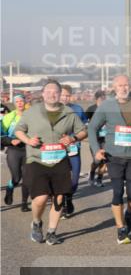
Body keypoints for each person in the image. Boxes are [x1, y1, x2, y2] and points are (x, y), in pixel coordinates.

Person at [14, 79, 87, 245]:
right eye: (48, 91)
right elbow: (19, 130)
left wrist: (73, 137)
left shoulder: (69, 113)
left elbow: (83, 130)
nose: (52, 94)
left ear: (60, 94)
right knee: (40, 199)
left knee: (59, 198)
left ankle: (52, 231)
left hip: (60, 159)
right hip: (37, 160)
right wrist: (28, 140)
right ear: (42, 94)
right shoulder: (32, 112)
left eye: (55, 91)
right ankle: (36, 223)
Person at [87, 75, 131, 245]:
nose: (123, 88)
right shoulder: (107, 106)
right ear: (114, 87)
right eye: (120, 85)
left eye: (126, 85)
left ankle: (129, 213)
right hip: (113, 156)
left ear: (130, 86)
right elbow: (93, 128)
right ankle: (120, 228)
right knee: (118, 192)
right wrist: (96, 150)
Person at [59, 84, 87, 218]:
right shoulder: (51, 110)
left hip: (74, 149)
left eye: (67, 95)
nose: (65, 98)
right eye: (62, 95)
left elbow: (84, 128)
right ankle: (64, 203)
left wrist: (74, 137)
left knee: (75, 180)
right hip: (57, 151)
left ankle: (69, 197)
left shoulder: (77, 109)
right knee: (61, 178)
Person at [2, 94, 29, 211]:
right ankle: (10, 187)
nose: (19, 103)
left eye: (21, 101)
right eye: (17, 101)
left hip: (29, 148)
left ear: (25, 102)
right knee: (17, 177)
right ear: (14, 103)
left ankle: (24, 203)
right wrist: (11, 140)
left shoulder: (31, 115)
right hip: (14, 149)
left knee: (28, 177)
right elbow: (1, 135)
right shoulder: (8, 117)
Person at [85, 90, 108, 186]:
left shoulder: (109, 109)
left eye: (104, 98)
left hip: (106, 138)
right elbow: (85, 122)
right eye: (101, 99)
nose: (103, 100)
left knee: (105, 159)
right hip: (95, 139)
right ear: (96, 99)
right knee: (97, 160)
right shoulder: (91, 109)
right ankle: (92, 173)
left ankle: (99, 179)